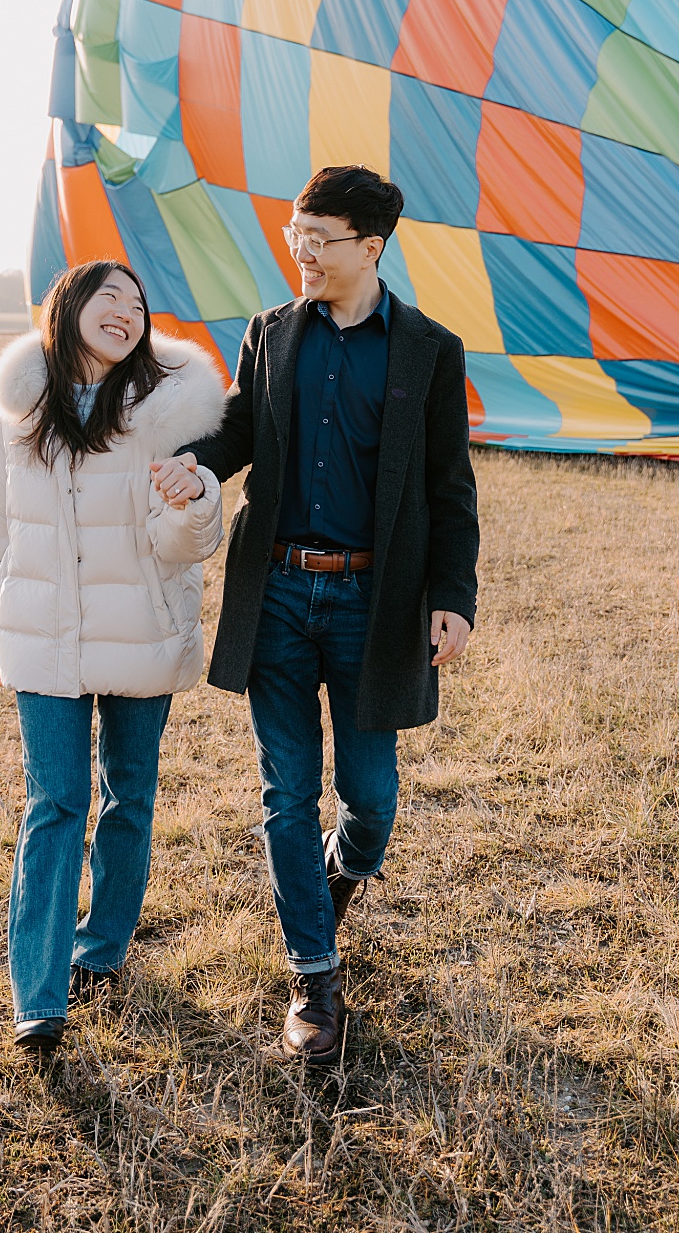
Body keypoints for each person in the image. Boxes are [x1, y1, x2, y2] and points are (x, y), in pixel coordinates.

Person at [164, 164, 480, 1063]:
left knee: (370, 798)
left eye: (319, 239)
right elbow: (241, 432)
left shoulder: (428, 348)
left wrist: (453, 596)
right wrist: (198, 462)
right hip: (280, 592)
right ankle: (315, 973)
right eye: (294, 235)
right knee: (287, 789)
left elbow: (449, 490)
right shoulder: (270, 333)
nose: (300, 252)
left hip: (374, 599)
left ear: (370, 247)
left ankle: (337, 873)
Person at [0, 258, 226, 1054]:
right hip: (42, 636)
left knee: (130, 795)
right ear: (69, 305)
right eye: (109, 295)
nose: (126, 310)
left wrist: (195, 501)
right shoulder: (21, 410)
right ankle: (39, 998)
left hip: (138, 628)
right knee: (54, 803)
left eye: (139, 303)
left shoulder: (165, 408)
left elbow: (183, 544)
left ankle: (103, 945)